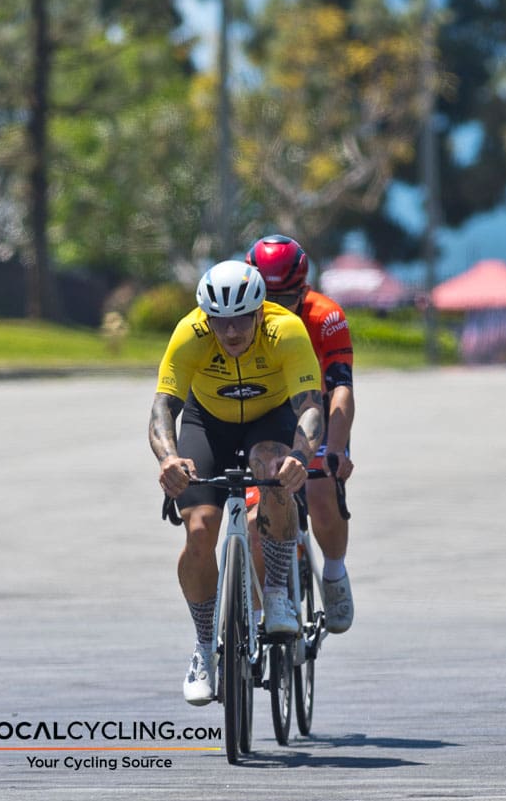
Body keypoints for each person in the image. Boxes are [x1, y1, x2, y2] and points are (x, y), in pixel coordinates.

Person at [148, 259, 324, 706]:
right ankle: (204, 647)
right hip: (208, 423)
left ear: (260, 312)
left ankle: (279, 593)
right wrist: (169, 459)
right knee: (201, 528)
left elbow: (310, 406)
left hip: (269, 418)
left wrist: (300, 458)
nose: (231, 333)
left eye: (242, 320)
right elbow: (162, 408)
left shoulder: (286, 331)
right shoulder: (190, 333)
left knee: (273, 469)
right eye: (221, 321)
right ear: (207, 317)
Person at [245, 234, 357, 634]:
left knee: (322, 490)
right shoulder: (237, 317)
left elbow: (340, 387)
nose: (275, 310)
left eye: (287, 298)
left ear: (305, 290)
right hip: (261, 415)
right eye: (266, 299)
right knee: (256, 516)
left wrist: (337, 450)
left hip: (315, 412)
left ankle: (335, 571)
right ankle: (256, 614)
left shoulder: (326, 316)